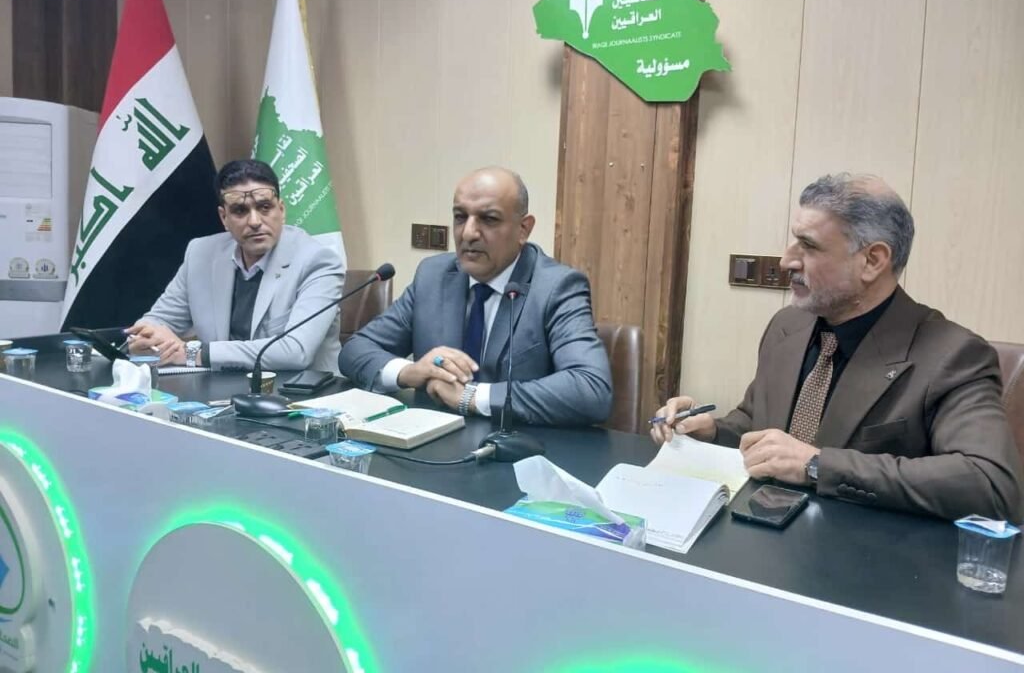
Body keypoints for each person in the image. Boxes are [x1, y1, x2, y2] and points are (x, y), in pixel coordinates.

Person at [652, 173, 1023, 521]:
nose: (786, 260)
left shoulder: (953, 354)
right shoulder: (788, 326)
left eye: (809, 246)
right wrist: (712, 433)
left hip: (864, 556)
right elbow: (758, 422)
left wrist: (818, 465)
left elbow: (991, 483)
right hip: (765, 539)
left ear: (872, 261)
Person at [339, 167, 611, 427]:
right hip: (431, 444)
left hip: (516, 446)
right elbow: (355, 350)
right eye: (460, 217)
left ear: (523, 229)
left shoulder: (557, 287)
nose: (468, 233)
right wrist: (409, 372)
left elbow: (591, 389)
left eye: (489, 219)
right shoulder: (434, 276)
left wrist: (472, 397)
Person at [128, 159, 346, 372]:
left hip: (300, 390)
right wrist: (146, 338)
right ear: (224, 217)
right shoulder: (201, 254)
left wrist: (193, 353)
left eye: (264, 207)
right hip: (219, 388)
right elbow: (159, 319)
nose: (254, 221)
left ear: (281, 211)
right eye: (240, 211)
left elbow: (295, 351)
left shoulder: (318, 262)